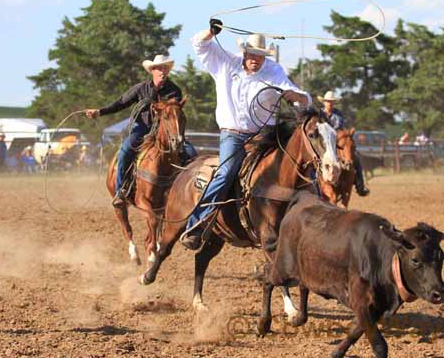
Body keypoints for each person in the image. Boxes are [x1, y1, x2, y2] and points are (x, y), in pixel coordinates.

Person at [181, 19, 312, 250]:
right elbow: (198, 44)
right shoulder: (225, 62)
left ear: (265, 57)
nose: (255, 59)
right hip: (233, 134)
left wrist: (299, 97)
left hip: (264, 135)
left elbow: (297, 93)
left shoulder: (274, 70)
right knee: (225, 172)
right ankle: (197, 223)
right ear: (244, 53)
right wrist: (211, 32)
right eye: (252, 54)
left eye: (260, 55)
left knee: (299, 166)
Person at [85, 55, 195, 207]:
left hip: (166, 131)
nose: (162, 71)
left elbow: (174, 108)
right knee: (125, 151)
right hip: (142, 128)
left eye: (165, 68)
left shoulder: (174, 91)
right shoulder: (141, 89)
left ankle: (188, 192)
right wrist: (100, 112)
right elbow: (120, 103)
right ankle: (121, 191)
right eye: (159, 68)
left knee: (190, 153)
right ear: (152, 70)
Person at [318, 91, 370, 197]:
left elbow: (339, 130)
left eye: (332, 102)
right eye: (328, 101)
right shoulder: (319, 114)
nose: (330, 103)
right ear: (324, 102)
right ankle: (311, 184)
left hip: (337, 141)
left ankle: (360, 185)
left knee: (355, 158)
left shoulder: (338, 114)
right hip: (322, 142)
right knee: (313, 159)